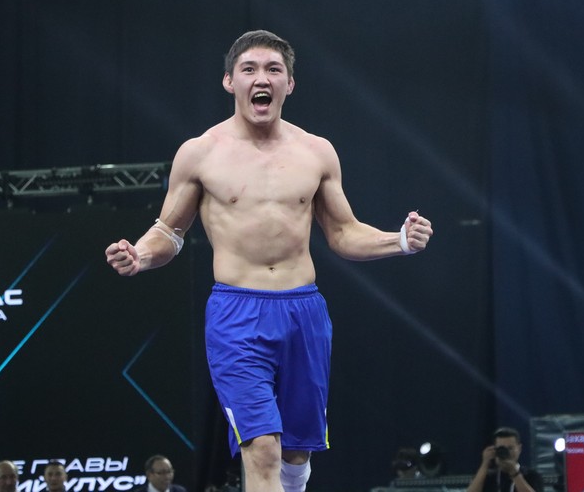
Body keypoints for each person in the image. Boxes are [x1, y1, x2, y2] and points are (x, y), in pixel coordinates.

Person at [105, 30, 434, 492]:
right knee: (262, 448)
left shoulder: (316, 152)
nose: (262, 78)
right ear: (230, 81)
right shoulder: (200, 153)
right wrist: (139, 254)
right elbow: (169, 231)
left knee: (296, 454)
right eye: (250, 69)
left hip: (304, 312)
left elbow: (343, 232)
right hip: (236, 315)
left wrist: (399, 240)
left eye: (273, 70)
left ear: (289, 84)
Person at [466, 427, 543, 492]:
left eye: (510, 448)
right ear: (495, 449)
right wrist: (485, 464)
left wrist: (514, 473)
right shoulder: (487, 477)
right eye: (502, 448)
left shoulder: (531, 476)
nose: (506, 452)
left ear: (519, 449)